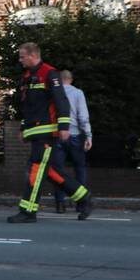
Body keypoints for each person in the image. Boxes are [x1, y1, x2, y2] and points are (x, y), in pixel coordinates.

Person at [9, 42, 94, 223]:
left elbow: (61, 101)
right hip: (37, 133)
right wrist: (24, 127)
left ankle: (28, 211)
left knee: (36, 170)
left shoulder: (49, 74)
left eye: (22, 56)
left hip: (48, 133)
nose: (20, 60)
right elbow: (28, 106)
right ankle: (83, 197)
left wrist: (63, 127)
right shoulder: (27, 77)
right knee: (51, 171)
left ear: (32, 56)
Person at [52, 70, 92, 213]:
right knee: (79, 169)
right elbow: (83, 116)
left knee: (58, 171)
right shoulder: (78, 93)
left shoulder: (54, 92)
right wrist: (88, 135)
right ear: (71, 79)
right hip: (75, 135)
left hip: (57, 134)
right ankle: (81, 203)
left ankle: (60, 203)